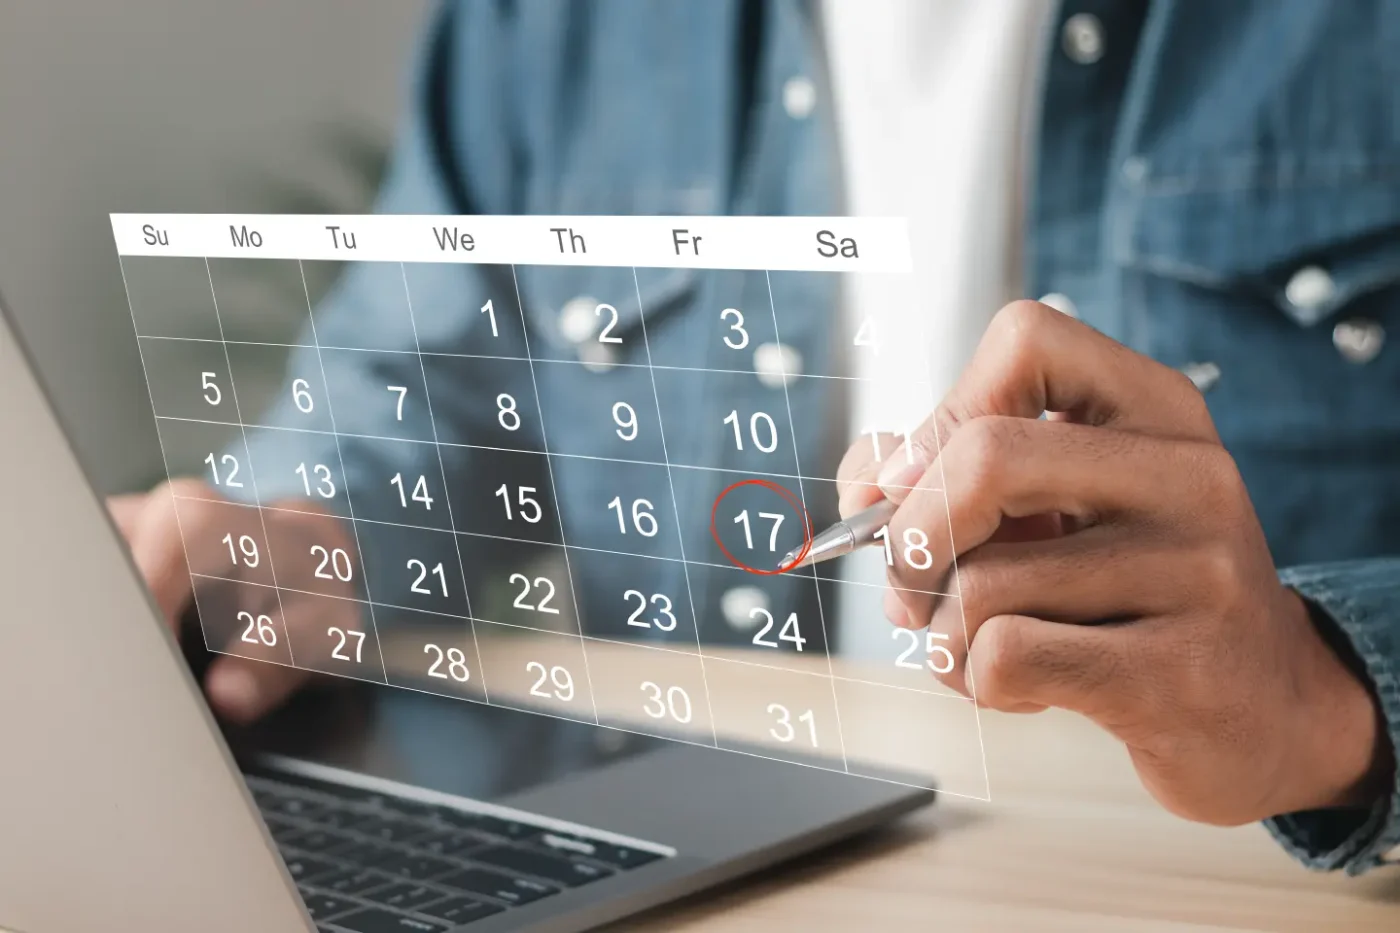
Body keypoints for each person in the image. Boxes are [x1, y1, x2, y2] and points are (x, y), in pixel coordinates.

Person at [110, 0, 1400, 873]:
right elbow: (425, 372)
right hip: (714, 870)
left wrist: (1322, 698)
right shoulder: (554, 28)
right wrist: (292, 532)